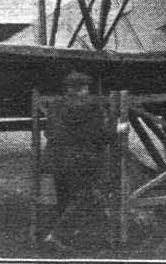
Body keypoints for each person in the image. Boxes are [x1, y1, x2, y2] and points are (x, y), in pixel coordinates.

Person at [42, 70, 110, 250]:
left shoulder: (55, 106)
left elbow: (48, 132)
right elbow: (99, 136)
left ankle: (65, 237)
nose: (86, 92)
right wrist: (117, 130)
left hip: (53, 159)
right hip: (78, 161)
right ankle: (56, 236)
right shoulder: (91, 108)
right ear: (81, 90)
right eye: (85, 88)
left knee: (64, 198)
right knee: (85, 196)